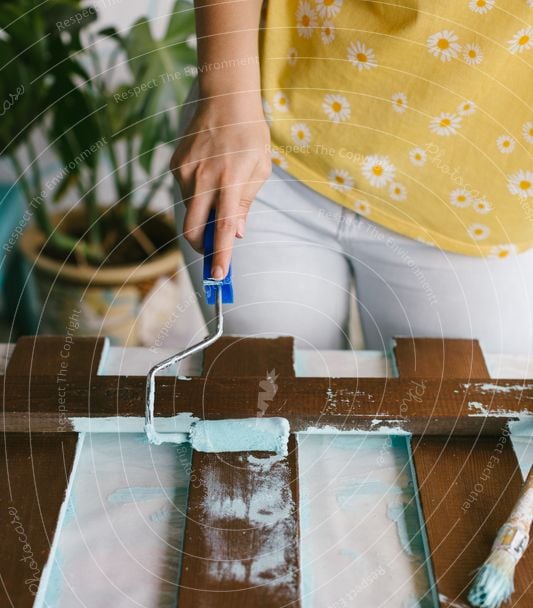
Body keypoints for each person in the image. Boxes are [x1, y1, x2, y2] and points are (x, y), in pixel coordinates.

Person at [171, 0, 533, 353]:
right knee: (265, 391)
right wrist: (227, 96)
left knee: (451, 409)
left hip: (477, 200)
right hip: (264, 139)